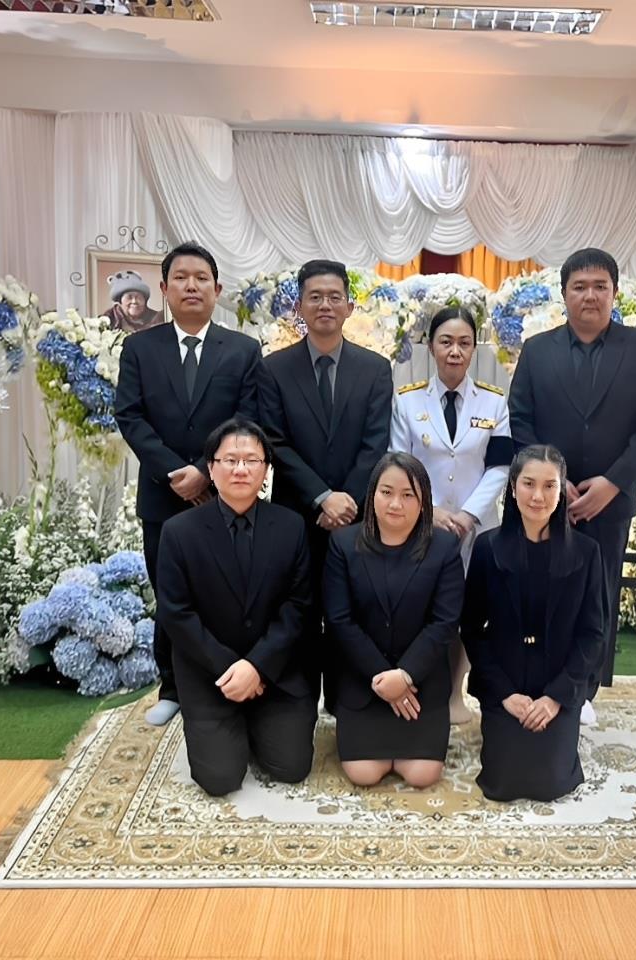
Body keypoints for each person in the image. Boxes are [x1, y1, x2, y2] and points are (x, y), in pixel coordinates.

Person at [507, 248, 636, 724]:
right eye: (580, 287)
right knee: (541, 593)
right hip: (545, 501)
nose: (590, 296)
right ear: (564, 294)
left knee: (599, 595)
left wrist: (614, 483)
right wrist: (555, 481)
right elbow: (521, 419)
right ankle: (538, 683)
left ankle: (585, 692)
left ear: (614, 293)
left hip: (608, 503)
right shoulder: (538, 350)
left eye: (600, 286)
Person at [116, 242, 262, 728]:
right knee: (171, 596)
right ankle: (172, 687)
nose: (192, 286)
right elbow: (130, 416)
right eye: (181, 278)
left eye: (201, 278)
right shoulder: (139, 348)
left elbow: (247, 417)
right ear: (164, 288)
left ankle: (228, 679)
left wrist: (205, 469)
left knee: (227, 594)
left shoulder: (242, 350)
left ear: (217, 289)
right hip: (163, 496)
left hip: (226, 495)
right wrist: (174, 472)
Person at [259, 259, 394, 713]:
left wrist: (346, 501)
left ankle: (345, 704)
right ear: (298, 306)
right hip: (296, 514)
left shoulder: (375, 369)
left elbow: (376, 443)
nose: (325, 305)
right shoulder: (273, 369)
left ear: (350, 306)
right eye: (314, 297)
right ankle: (296, 706)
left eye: (334, 297)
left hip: (355, 519)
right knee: (298, 610)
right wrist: (322, 497)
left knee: (350, 613)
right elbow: (274, 441)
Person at [156, 417, 316, 796]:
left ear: (266, 470)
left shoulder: (291, 526)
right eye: (230, 460)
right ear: (211, 469)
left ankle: (255, 722)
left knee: (291, 767)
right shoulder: (178, 532)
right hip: (210, 674)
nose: (241, 469)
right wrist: (230, 669)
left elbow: (298, 606)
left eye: (252, 460)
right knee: (220, 779)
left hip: (274, 673)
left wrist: (257, 667)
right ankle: (228, 725)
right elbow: (177, 614)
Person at [461, 444, 605, 802]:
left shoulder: (587, 553)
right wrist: (505, 694)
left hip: (559, 683)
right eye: (528, 484)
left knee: (550, 782)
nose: (538, 496)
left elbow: (593, 635)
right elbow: (472, 629)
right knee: (503, 782)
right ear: (513, 487)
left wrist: (555, 698)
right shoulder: (487, 548)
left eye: (549, 485)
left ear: (561, 490)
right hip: (505, 683)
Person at [390, 306, 511, 723]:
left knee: (471, 612)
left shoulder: (494, 402)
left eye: (464, 343)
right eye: (446, 342)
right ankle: (424, 688)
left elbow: (500, 466)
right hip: (422, 525)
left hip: (477, 529)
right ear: (431, 346)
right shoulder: (407, 401)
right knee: (427, 610)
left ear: (474, 348)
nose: (455, 351)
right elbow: (398, 463)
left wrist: (468, 515)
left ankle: (456, 693)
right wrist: (432, 511)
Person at [323, 453, 465, 788]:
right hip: (363, 680)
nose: (395, 504)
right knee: (364, 774)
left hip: (420, 683)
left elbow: (444, 622)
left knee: (422, 775)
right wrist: (382, 679)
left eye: (408, 495)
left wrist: (404, 676)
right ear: (372, 494)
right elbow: (340, 620)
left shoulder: (444, 547)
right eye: (386, 492)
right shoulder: (343, 544)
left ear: (424, 501)